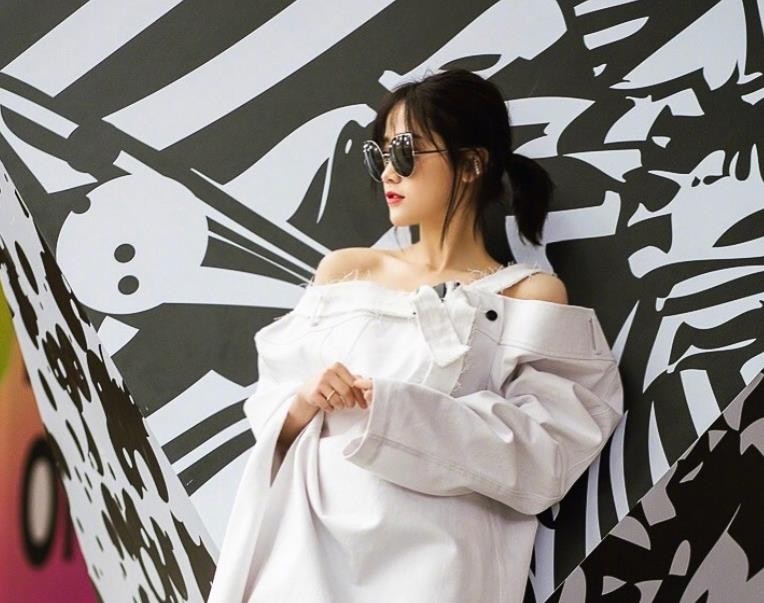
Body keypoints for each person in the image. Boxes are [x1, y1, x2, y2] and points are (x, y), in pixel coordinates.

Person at [207, 69, 625, 602]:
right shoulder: (346, 270)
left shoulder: (526, 296)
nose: (389, 171)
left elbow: (541, 456)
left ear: (471, 164)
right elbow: (270, 413)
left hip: (429, 566)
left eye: (405, 152)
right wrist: (306, 400)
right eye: (380, 154)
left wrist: (394, 410)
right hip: (305, 556)